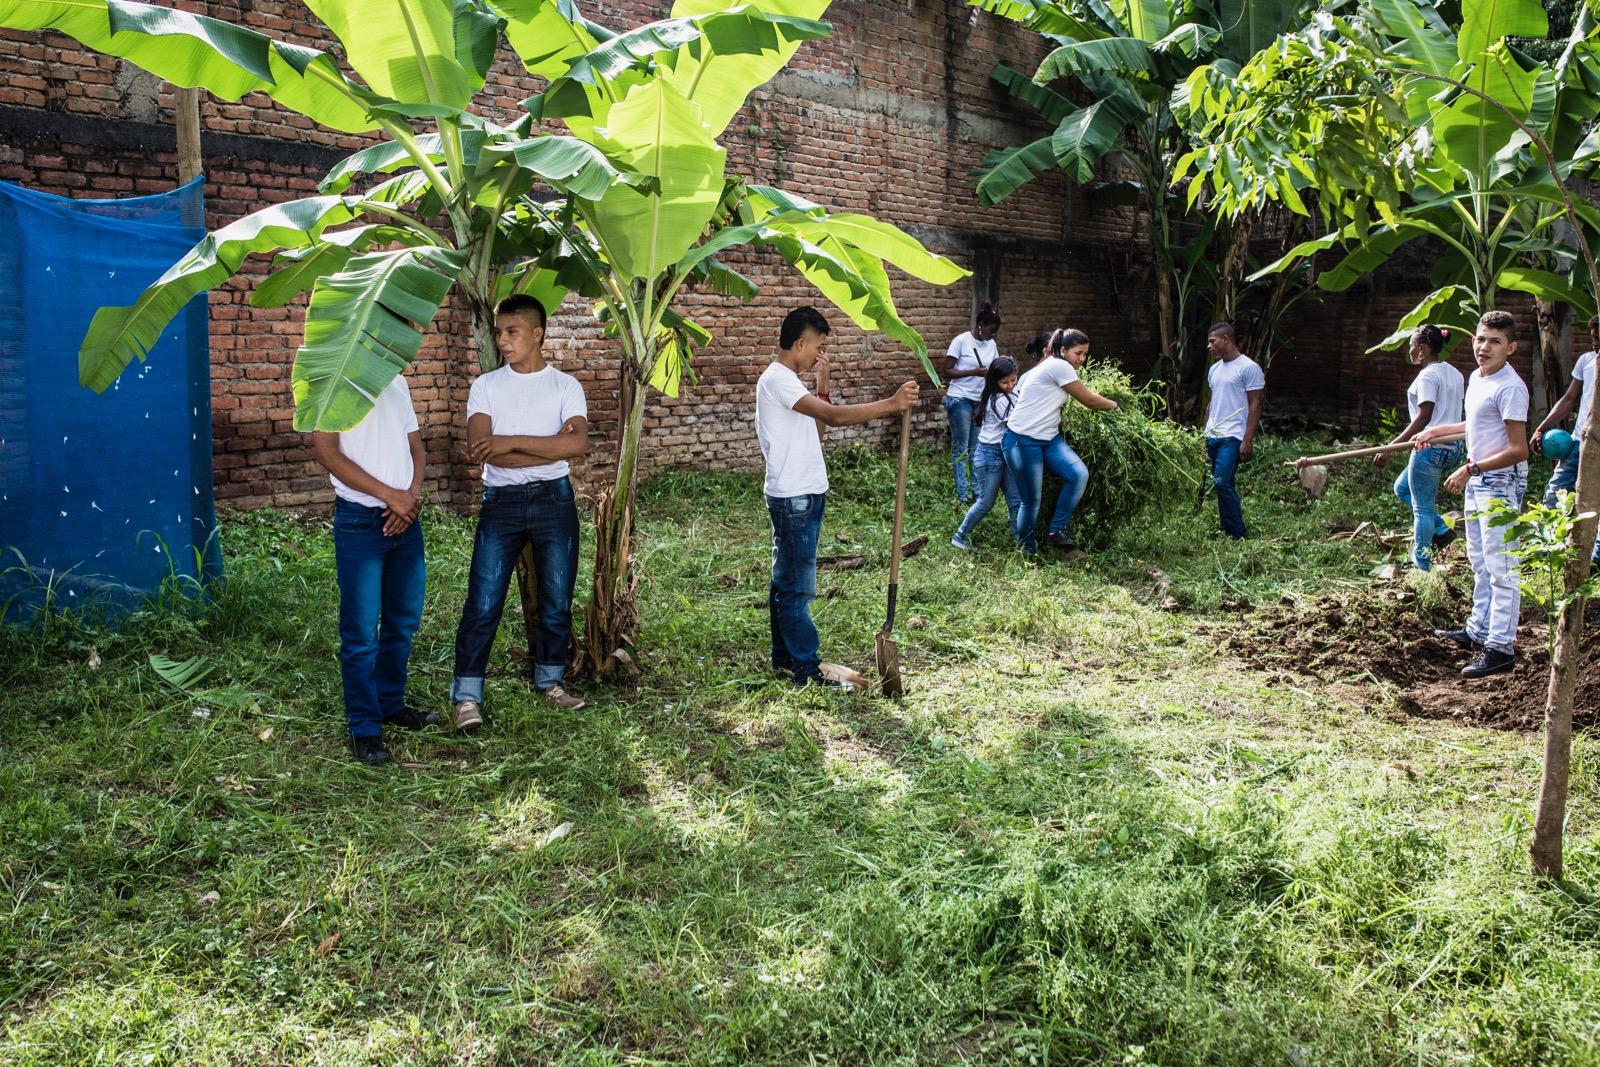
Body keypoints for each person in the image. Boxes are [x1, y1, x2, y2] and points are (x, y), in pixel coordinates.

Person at [757, 306, 919, 687]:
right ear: (800, 343)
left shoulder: (790, 384)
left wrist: (822, 388)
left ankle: (785, 657)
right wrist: (892, 404)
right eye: (818, 347)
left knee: (786, 582)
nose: (819, 354)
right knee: (796, 587)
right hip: (794, 498)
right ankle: (806, 670)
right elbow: (834, 418)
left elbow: (816, 433)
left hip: (804, 494)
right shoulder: (778, 380)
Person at [450, 295, 590, 731]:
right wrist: (543, 445)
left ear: (537, 334)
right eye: (499, 332)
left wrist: (508, 442)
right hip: (502, 503)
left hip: (555, 500)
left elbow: (575, 446)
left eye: (512, 332)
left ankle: (550, 682)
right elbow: (481, 451)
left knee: (556, 599)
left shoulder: (565, 386)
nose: (503, 341)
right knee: (484, 600)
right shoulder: (486, 386)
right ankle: (468, 697)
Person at [311, 373, 434, 766]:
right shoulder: (333, 380)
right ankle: (365, 729)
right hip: (361, 524)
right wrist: (391, 497)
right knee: (361, 633)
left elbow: (417, 449)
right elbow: (328, 453)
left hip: (406, 522)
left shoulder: (397, 382)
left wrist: (410, 498)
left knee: (402, 621)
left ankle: (390, 703)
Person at [1416, 310, 1530, 679]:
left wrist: (1471, 469)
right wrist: (1437, 431)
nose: (1484, 347)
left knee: (1502, 567)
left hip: (1500, 480)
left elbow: (1518, 449)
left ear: (1510, 347)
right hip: (1480, 477)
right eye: (1481, 339)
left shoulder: (1511, 388)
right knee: (1480, 561)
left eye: (1495, 341)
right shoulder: (1477, 378)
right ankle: (1477, 631)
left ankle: (1500, 647)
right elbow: (1476, 424)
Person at [1002, 328, 1118, 556]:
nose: (1082, 359)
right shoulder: (1058, 365)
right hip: (1022, 441)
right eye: (1078, 353)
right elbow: (1089, 400)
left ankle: (1056, 532)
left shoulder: (1054, 365)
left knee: (1078, 475)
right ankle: (1028, 552)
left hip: (1049, 437)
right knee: (1031, 502)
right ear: (1063, 350)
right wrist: (1116, 406)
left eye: (1085, 354)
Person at [1373, 324, 1465, 570]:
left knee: (1421, 509)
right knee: (1402, 488)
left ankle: (1421, 564)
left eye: (1412, 345)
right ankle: (1441, 530)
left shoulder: (1427, 376)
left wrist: (1391, 447)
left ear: (1423, 348)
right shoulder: (1455, 373)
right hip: (1454, 448)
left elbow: (1424, 416)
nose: (1410, 350)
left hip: (1430, 448)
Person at [951, 356, 1021, 549]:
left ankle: (1021, 543)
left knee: (1015, 500)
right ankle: (959, 536)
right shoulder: (997, 399)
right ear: (994, 381)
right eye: (1004, 382)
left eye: (1013, 380)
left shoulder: (1011, 394)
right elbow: (1016, 425)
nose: (1010, 385)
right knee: (985, 502)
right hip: (990, 455)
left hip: (1004, 453)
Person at [1202, 322, 1265, 539]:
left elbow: (1255, 404)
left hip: (1233, 435)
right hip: (1213, 435)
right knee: (1223, 484)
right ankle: (1226, 527)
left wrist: (1247, 440)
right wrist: (1204, 433)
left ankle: (1238, 532)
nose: (1209, 346)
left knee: (1222, 482)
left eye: (1212, 341)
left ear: (1226, 339)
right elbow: (1212, 403)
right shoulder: (1214, 370)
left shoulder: (1248, 368)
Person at [942, 303, 1002, 505]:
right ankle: (961, 494)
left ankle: (977, 493)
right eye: (990, 330)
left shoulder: (991, 345)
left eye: (995, 332)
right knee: (961, 449)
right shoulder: (961, 341)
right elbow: (947, 371)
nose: (992, 335)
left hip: (978, 401)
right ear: (981, 325)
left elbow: (994, 370)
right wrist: (973, 372)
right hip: (959, 399)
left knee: (975, 448)